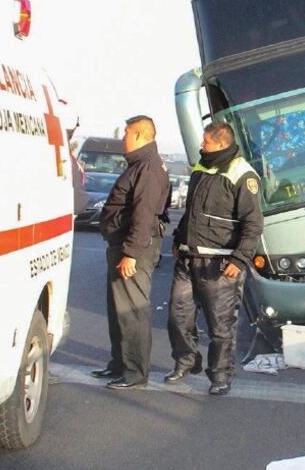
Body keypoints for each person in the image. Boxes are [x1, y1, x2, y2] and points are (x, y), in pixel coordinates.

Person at [165, 121, 263, 395]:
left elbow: (253, 224)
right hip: (188, 259)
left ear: (221, 144)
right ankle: (186, 362)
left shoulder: (243, 174)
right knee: (178, 316)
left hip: (220, 265)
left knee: (220, 326)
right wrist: (177, 239)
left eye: (205, 142)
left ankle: (220, 375)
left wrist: (239, 259)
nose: (201, 146)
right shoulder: (200, 168)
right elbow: (191, 213)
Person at [91, 115, 170, 389]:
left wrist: (132, 253)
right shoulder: (140, 165)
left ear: (139, 135)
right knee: (118, 310)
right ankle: (120, 364)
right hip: (123, 245)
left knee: (131, 311)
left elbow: (144, 215)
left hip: (133, 248)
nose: (122, 137)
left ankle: (135, 373)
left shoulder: (147, 168)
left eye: (126, 132)